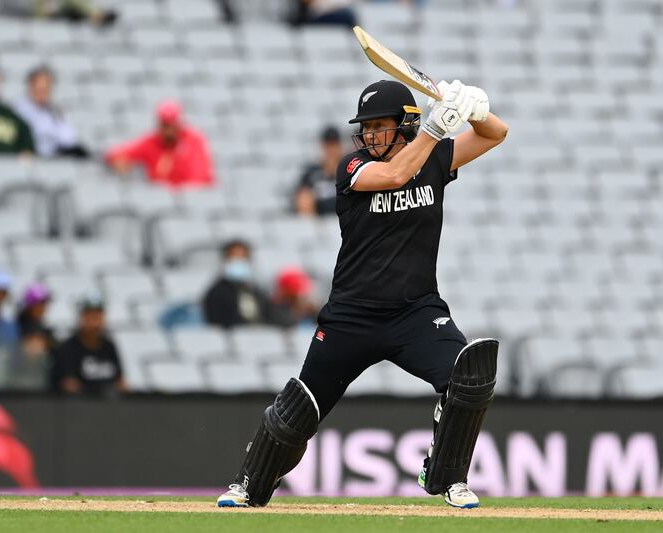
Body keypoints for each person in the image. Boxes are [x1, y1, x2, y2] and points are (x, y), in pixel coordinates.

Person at [217, 79, 508, 509]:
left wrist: (475, 108)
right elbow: (395, 175)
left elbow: (496, 134)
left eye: (379, 126)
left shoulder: (435, 157)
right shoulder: (352, 167)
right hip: (351, 318)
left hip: (415, 313)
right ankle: (249, 483)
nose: (369, 135)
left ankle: (448, 476)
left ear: (404, 125)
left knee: (469, 376)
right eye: (366, 127)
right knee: (300, 409)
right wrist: (434, 130)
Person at [104, 100, 215, 189]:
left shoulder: (194, 140)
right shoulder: (151, 142)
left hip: (190, 202)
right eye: (164, 125)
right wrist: (118, 160)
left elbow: (199, 178)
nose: (168, 131)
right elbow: (116, 153)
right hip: (158, 199)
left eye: (171, 125)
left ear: (178, 124)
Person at [52, 294, 128, 395]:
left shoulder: (109, 346)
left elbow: (121, 382)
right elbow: (69, 385)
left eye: (98, 317)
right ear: (82, 318)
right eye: (90, 316)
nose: (95, 323)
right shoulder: (68, 348)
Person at [202, 240, 286, 329]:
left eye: (242, 258)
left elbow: (271, 317)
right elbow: (217, 322)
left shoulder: (256, 291)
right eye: (233, 257)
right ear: (225, 260)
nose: (238, 261)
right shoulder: (216, 293)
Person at [14, 66, 88, 158]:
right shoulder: (19, 111)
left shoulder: (55, 111)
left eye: (46, 88)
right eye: (39, 88)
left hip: (56, 156)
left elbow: (69, 139)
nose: (43, 92)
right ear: (31, 86)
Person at [14, 282, 57, 389]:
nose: (42, 308)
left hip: (39, 381)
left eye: (44, 303)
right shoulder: (18, 327)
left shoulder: (43, 329)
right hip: (19, 381)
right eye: (39, 304)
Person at [294, 126, 344, 217]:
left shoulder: (348, 171)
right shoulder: (311, 172)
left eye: (334, 145)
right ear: (322, 145)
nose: (331, 149)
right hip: (318, 222)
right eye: (328, 145)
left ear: (339, 146)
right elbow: (303, 203)